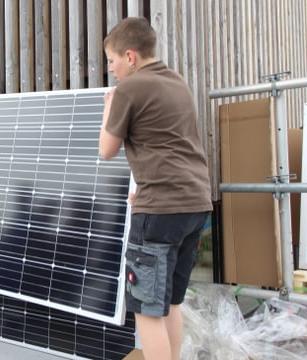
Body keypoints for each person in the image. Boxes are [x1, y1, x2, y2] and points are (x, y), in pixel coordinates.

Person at [99, 17, 212, 360]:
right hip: (195, 204)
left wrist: (108, 109)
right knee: (170, 303)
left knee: (147, 311)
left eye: (112, 61)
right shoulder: (177, 82)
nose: (111, 69)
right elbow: (170, 145)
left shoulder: (129, 89)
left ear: (130, 57)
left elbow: (106, 150)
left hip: (160, 210)